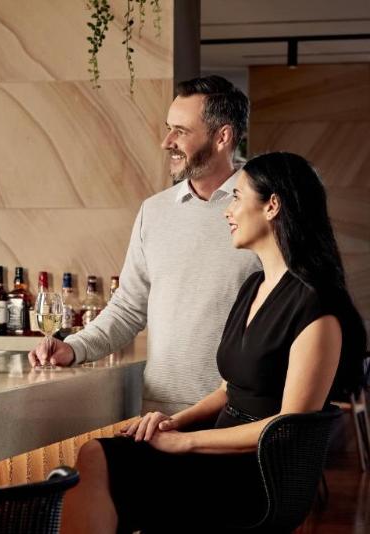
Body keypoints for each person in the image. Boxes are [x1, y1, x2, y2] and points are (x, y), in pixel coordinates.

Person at [60, 152, 367, 533]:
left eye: (237, 197)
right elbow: (227, 391)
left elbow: (289, 426)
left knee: (107, 466)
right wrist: (172, 424)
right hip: (216, 451)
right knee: (95, 455)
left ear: (272, 206)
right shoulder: (253, 286)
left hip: (256, 475)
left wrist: (186, 443)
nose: (228, 211)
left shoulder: (317, 308)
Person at [30, 75, 261, 414]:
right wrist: (75, 347)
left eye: (181, 131)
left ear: (222, 137)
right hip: (160, 412)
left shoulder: (264, 209)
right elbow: (128, 307)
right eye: (169, 129)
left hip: (240, 413)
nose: (167, 142)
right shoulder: (154, 211)